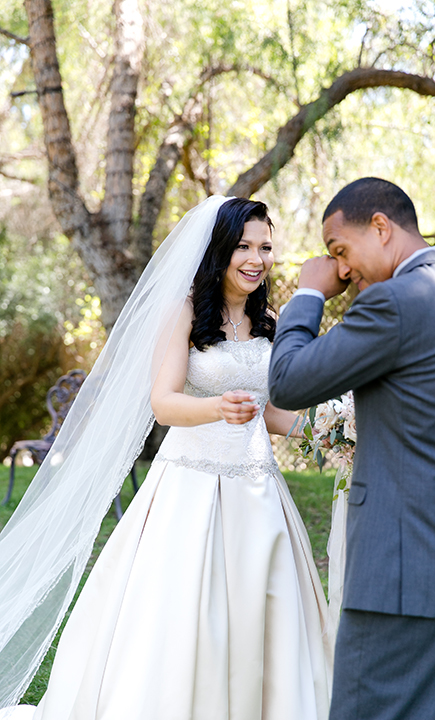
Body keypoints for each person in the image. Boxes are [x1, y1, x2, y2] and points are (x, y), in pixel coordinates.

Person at [0, 196, 332, 720]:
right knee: (182, 612)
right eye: (243, 246)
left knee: (263, 607)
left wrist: (325, 435)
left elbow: (268, 410)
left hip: (259, 489)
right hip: (191, 487)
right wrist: (216, 407)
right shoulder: (183, 312)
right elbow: (164, 403)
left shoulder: (268, 320)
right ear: (218, 250)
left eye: (265, 247)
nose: (256, 258)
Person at [269, 177, 435, 720]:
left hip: (401, 581)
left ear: (381, 228)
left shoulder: (396, 302)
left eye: (341, 249)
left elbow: (289, 381)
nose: (341, 269)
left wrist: (309, 293)